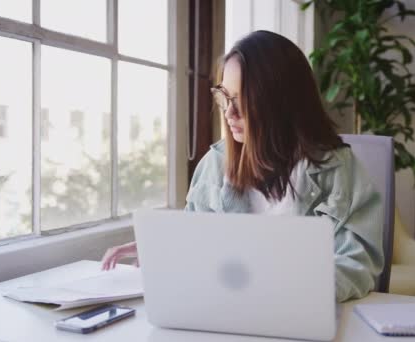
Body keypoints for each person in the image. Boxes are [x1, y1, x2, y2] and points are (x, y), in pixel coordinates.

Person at [102, 30, 384, 302]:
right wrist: (164, 249)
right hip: (225, 313)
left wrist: (282, 292)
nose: (229, 112)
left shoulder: (338, 169)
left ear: (282, 103)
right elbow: (196, 241)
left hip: (300, 316)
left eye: (243, 100)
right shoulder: (214, 164)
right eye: (224, 96)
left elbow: (358, 266)